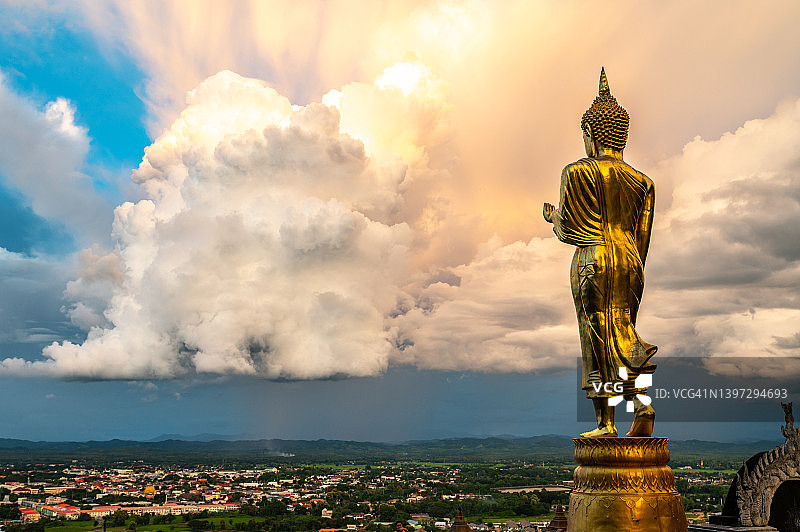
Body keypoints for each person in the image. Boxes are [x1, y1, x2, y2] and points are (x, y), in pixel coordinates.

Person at [543, 68, 656, 438]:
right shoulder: (643, 182)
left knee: (596, 337)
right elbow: (643, 238)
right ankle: (641, 405)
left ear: (591, 135)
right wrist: (630, 268)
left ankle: (606, 424)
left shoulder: (577, 172)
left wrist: (552, 217)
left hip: (593, 259)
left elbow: (570, 230)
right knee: (622, 333)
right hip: (629, 263)